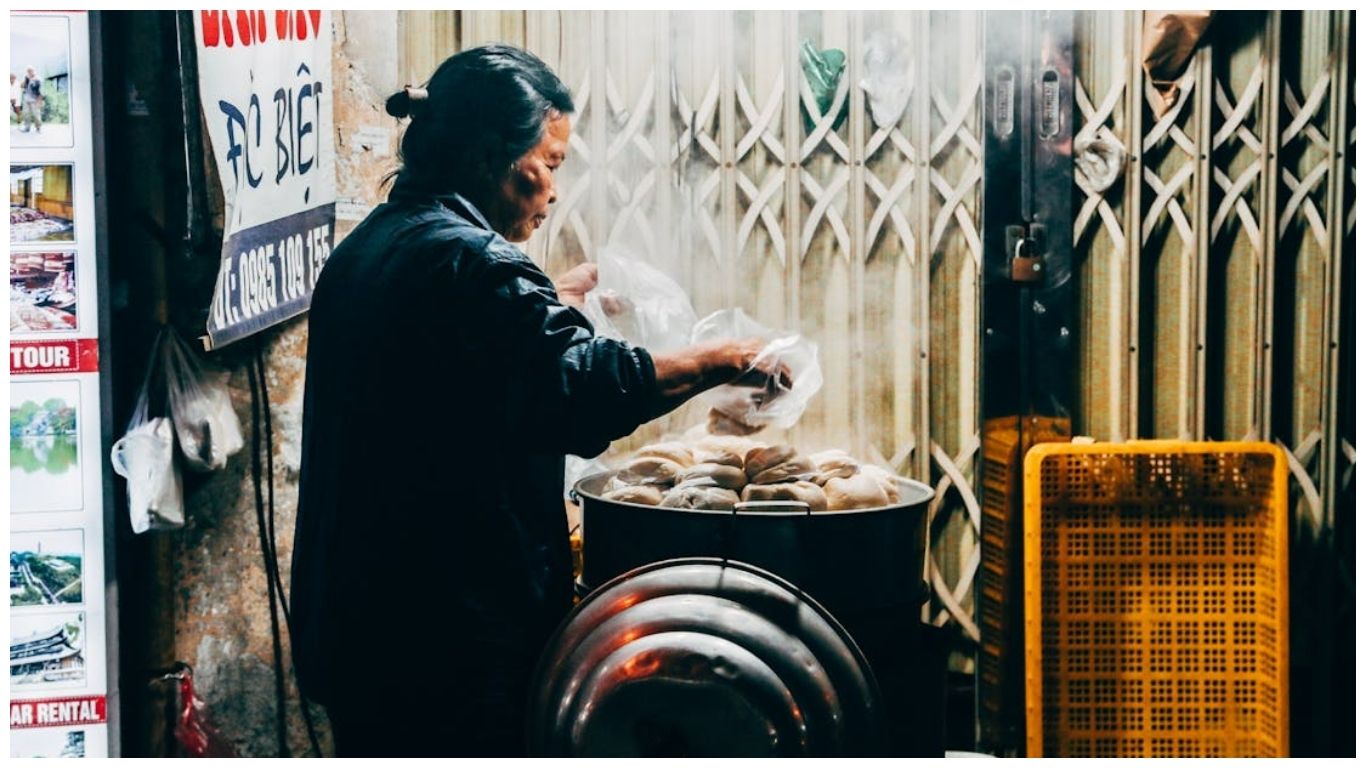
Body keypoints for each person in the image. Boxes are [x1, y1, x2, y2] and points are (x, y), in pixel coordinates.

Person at [290, 45, 781, 757]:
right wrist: (722, 358)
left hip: (360, 625)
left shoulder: (376, 243)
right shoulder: (474, 263)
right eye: (549, 163)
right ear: (492, 154)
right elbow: (578, 392)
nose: (552, 189)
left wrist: (553, 300)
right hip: (446, 645)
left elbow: (468, 370)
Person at [20, 66, 42, 133]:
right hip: (26, 99)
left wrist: (39, 101)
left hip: (34, 100)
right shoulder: (26, 78)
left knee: (36, 114)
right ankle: (27, 128)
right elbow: (22, 86)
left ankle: (38, 128)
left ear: (34, 71)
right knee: (26, 114)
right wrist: (26, 80)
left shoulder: (37, 79)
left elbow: (38, 90)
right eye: (28, 71)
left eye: (30, 71)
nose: (29, 72)